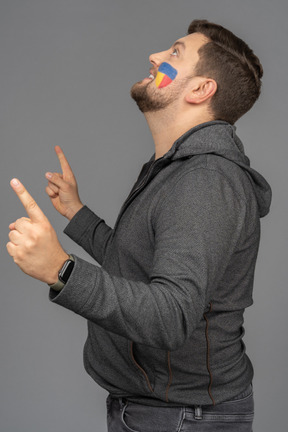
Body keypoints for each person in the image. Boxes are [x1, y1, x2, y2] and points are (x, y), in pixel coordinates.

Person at [7, 19, 272, 432]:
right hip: (159, 410)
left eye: (175, 53)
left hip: (182, 418)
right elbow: (134, 264)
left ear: (201, 89)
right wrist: (77, 214)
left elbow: (170, 316)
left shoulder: (205, 180)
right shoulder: (175, 169)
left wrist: (61, 270)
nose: (155, 56)